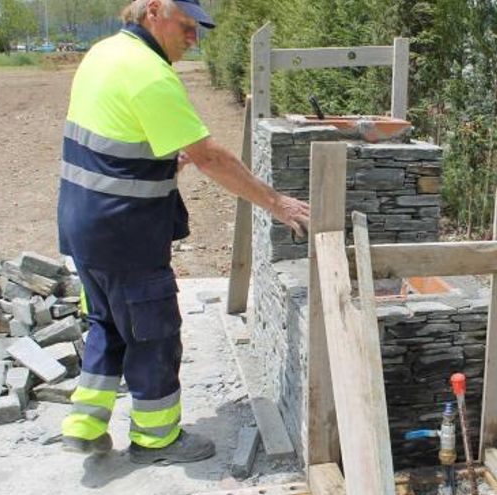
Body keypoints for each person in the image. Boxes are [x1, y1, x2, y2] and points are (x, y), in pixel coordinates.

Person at [57, 0, 309, 464]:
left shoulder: (105, 53)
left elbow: (111, 136)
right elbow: (211, 157)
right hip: (125, 234)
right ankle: (156, 441)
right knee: (153, 332)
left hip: (82, 227)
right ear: (153, 10)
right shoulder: (150, 74)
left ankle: (84, 422)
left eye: (198, 30)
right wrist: (277, 203)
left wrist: (158, 156)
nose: (193, 39)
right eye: (187, 26)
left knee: (107, 322)